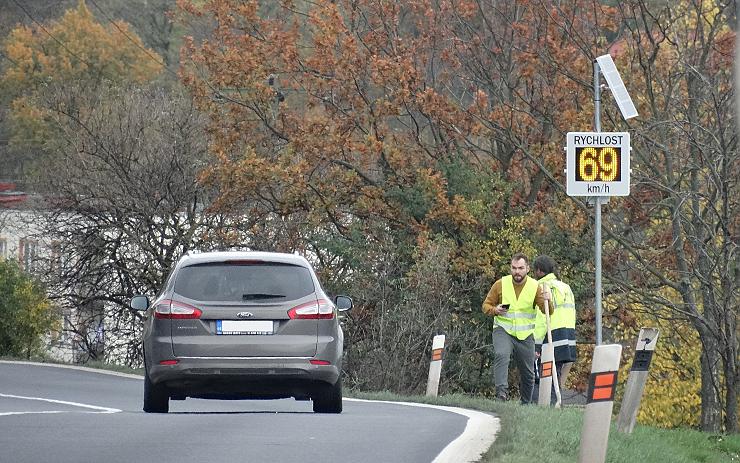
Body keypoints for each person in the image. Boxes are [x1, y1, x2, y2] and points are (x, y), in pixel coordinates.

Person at [482, 253, 552, 404]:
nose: (517, 272)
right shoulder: (500, 284)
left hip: (525, 335)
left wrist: (548, 300)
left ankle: (525, 403)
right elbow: (485, 306)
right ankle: (501, 393)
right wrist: (495, 310)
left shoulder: (535, 287)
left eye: (520, 268)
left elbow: (548, 311)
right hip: (503, 330)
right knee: (501, 354)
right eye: (514, 268)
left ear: (527, 269)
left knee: (528, 372)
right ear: (510, 268)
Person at [533, 255, 577, 405]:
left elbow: (541, 318)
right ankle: (556, 402)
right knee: (556, 372)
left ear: (539, 271)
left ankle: (549, 404)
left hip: (552, 334)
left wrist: (536, 343)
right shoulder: (565, 287)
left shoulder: (542, 287)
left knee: (544, 373)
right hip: (568, 334)